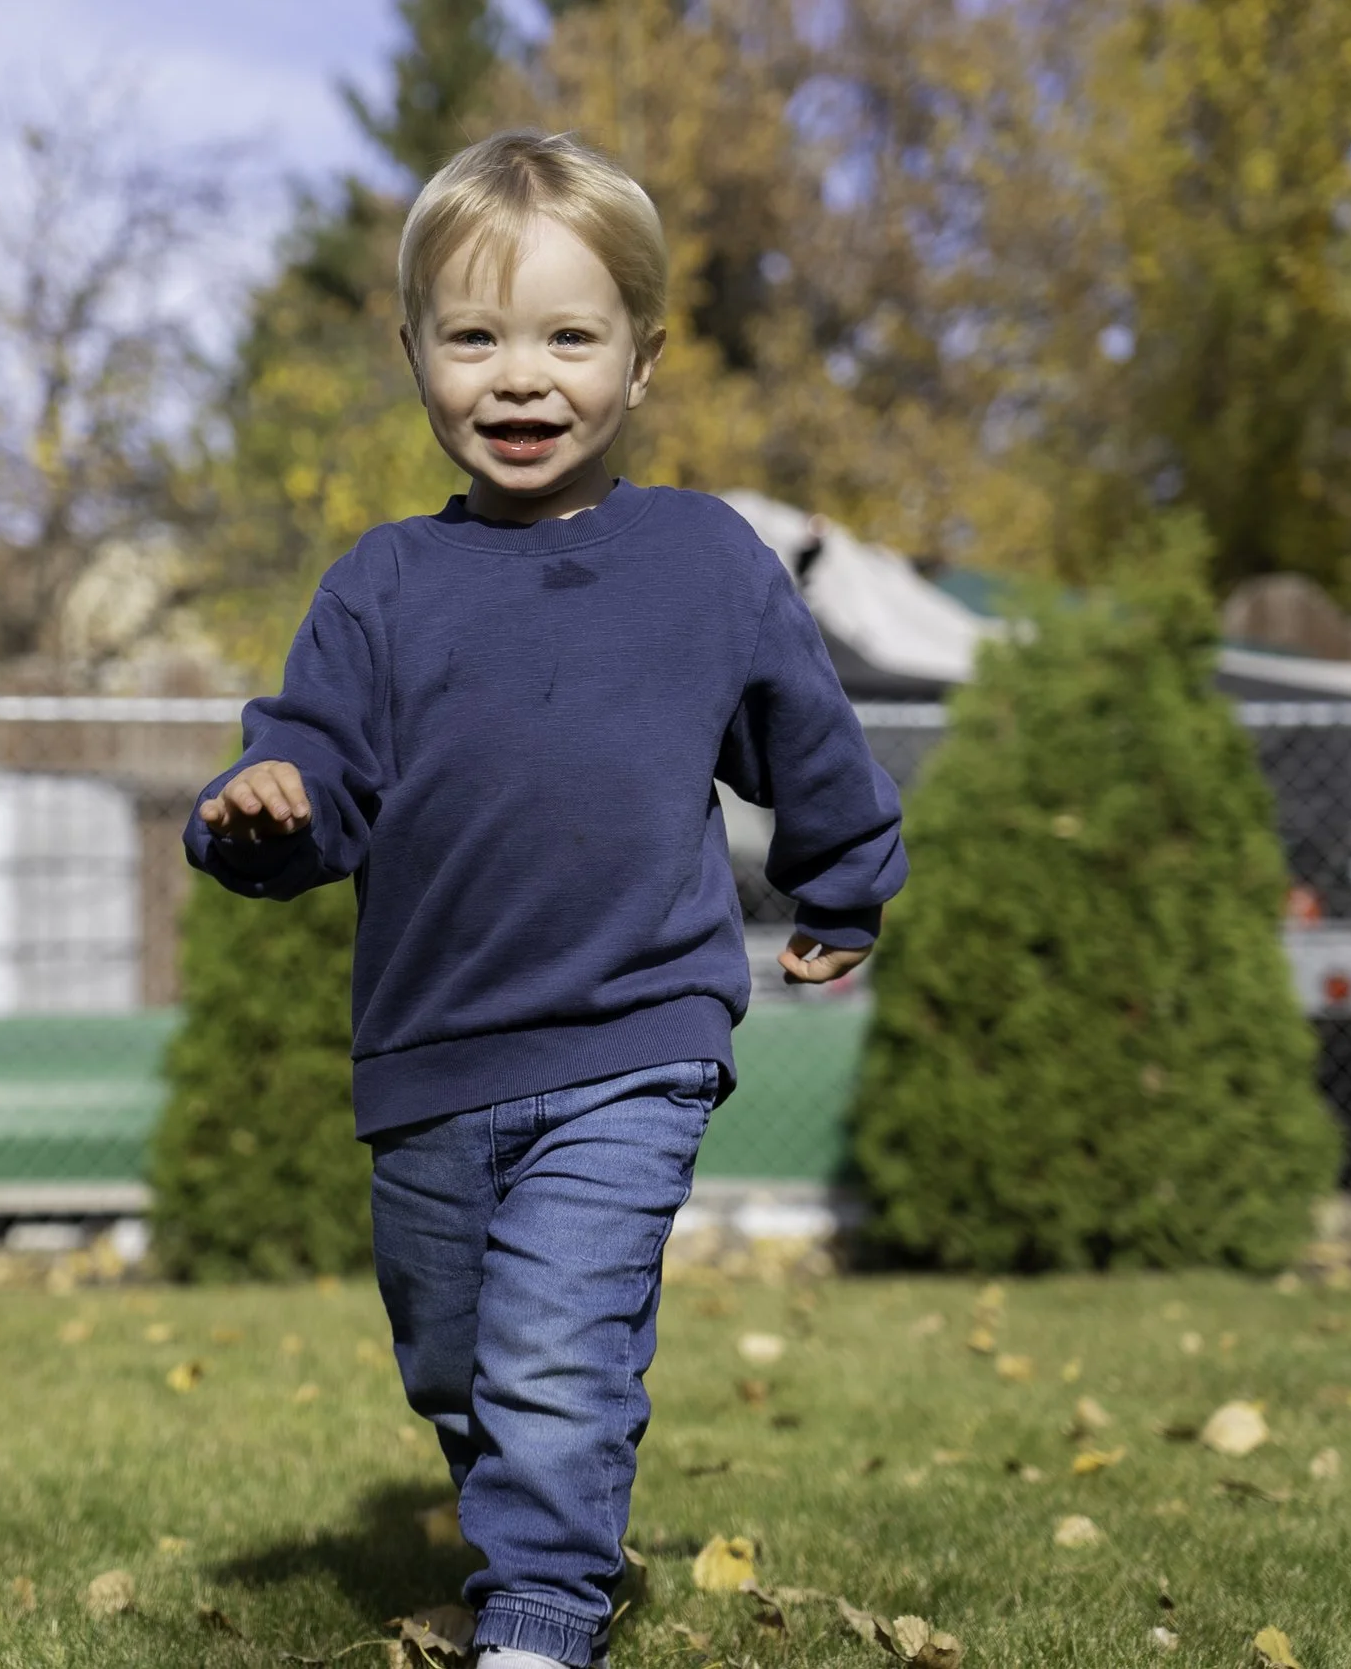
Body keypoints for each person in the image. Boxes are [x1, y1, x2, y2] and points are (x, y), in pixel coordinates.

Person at [183, 130, 907, 1669]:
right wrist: (264, 816)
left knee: (554, 1345)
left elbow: (805, 729)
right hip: (433, 1051)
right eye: (477, 336)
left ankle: (540, 1615)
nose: (522, 377)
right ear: (415, 356)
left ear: (642, 360)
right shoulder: (378, 585)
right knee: (459, 1361)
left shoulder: (705, 560)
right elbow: (315, 765)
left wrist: (842, 870)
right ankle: (535, 1504)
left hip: (635, 1030)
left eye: (569, 337)